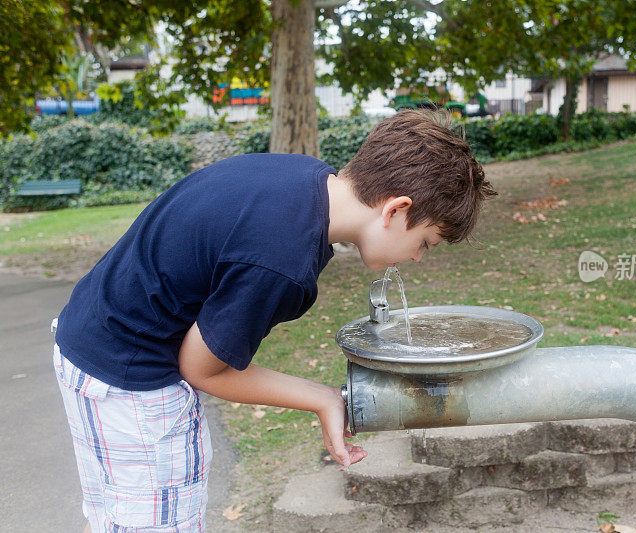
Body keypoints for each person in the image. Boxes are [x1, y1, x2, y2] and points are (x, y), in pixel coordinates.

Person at [52, 109, 496, 532]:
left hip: (85, 337)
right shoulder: (283, 262)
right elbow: (202, 368)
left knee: (116, 515)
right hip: (130, 383)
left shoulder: (305, 176)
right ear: (396, 210)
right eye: (426, 242)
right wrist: (323, 398)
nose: (417, 257)